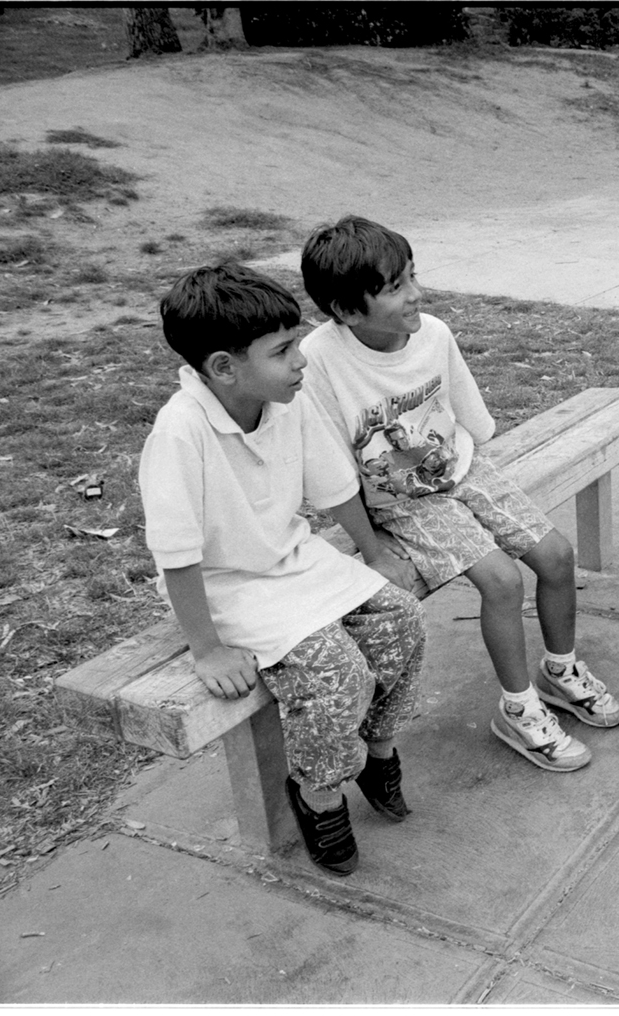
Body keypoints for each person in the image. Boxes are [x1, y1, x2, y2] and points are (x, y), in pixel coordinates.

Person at [298, 215, 619, 775]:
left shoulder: (434, 334)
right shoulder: (320, 361)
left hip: (463, 468)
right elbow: (329, 476)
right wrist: (373, 551)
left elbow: (473, 423)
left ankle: (561, 670)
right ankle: (518, 710)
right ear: (347, 311)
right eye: (395, 287)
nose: (415, 295)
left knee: (557, 555)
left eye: (412, 276)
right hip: (402, 502)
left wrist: (467, 475)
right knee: (501, 580)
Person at [140, 263, 428, 876]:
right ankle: (319, 792)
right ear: (223, 367)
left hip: (293, 562)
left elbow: (332, 485)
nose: (301, 359)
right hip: (224, 589)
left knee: (402, 619)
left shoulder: (284, 400)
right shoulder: (180, 431)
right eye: (283, 350)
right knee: (337, 670)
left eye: (296, 343)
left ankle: (377, 751)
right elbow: (177, 556)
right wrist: (207, 649)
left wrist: (373, 554)